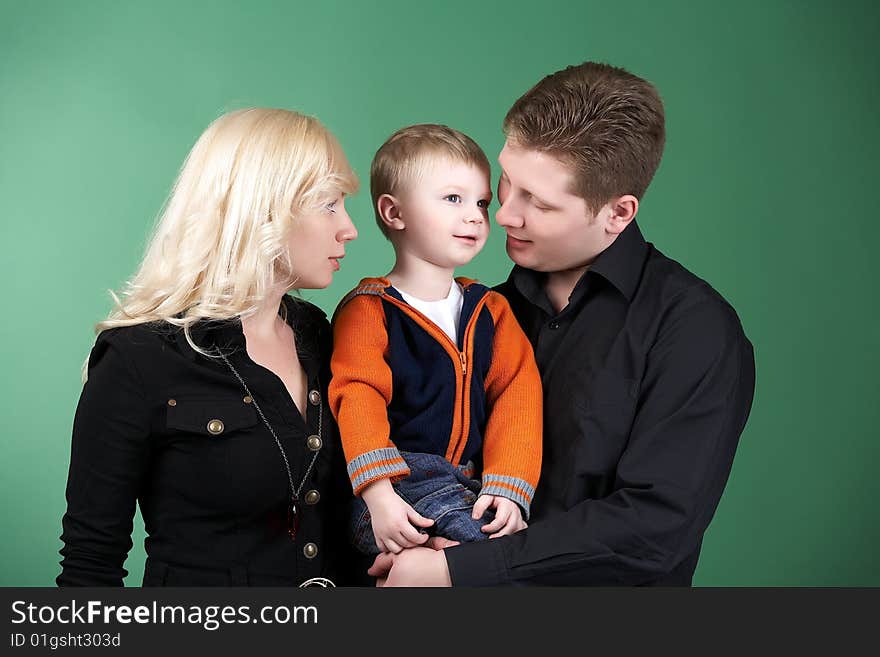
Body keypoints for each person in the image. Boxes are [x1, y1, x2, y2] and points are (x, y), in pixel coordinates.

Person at [369, 62, 757, 586]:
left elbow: (655, 529)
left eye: (540, 203)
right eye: (508, 182)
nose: (504, 214)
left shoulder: (694, 329)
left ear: (617, 214)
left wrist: (454, 569)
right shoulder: (476, 311)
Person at [57, 108, 365, 586]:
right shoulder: (137, 357)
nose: (349, 228)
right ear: (265, 208)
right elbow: (89, 568)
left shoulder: (322, 334)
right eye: (330, 204)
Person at [328, 124, 542, 556]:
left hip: (467, 485)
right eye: (453, 199)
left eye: (481, 202)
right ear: (395, 213)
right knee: (491, 555)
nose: (475, 216)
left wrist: (509, 485)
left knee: (513, 544)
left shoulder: (491, 309)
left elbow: (517, 394)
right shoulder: (370, 309)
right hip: (394, 487)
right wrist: (379, 494)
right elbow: (357, 396)